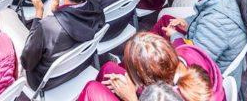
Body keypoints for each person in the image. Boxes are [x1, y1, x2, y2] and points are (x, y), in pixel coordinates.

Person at [20, 0, 105, 91]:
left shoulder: (48, 26)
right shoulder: (97, 9)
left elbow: (26, 62)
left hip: (44, 81)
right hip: (79, 66)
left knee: (5, 16)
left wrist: (39, 13)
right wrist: (56, 10)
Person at [78, 32, 224, 101]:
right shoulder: (188, 52)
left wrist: (131, 97)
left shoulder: (167, 97)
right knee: (109, 67)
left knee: (92, 88)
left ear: (147, 80)